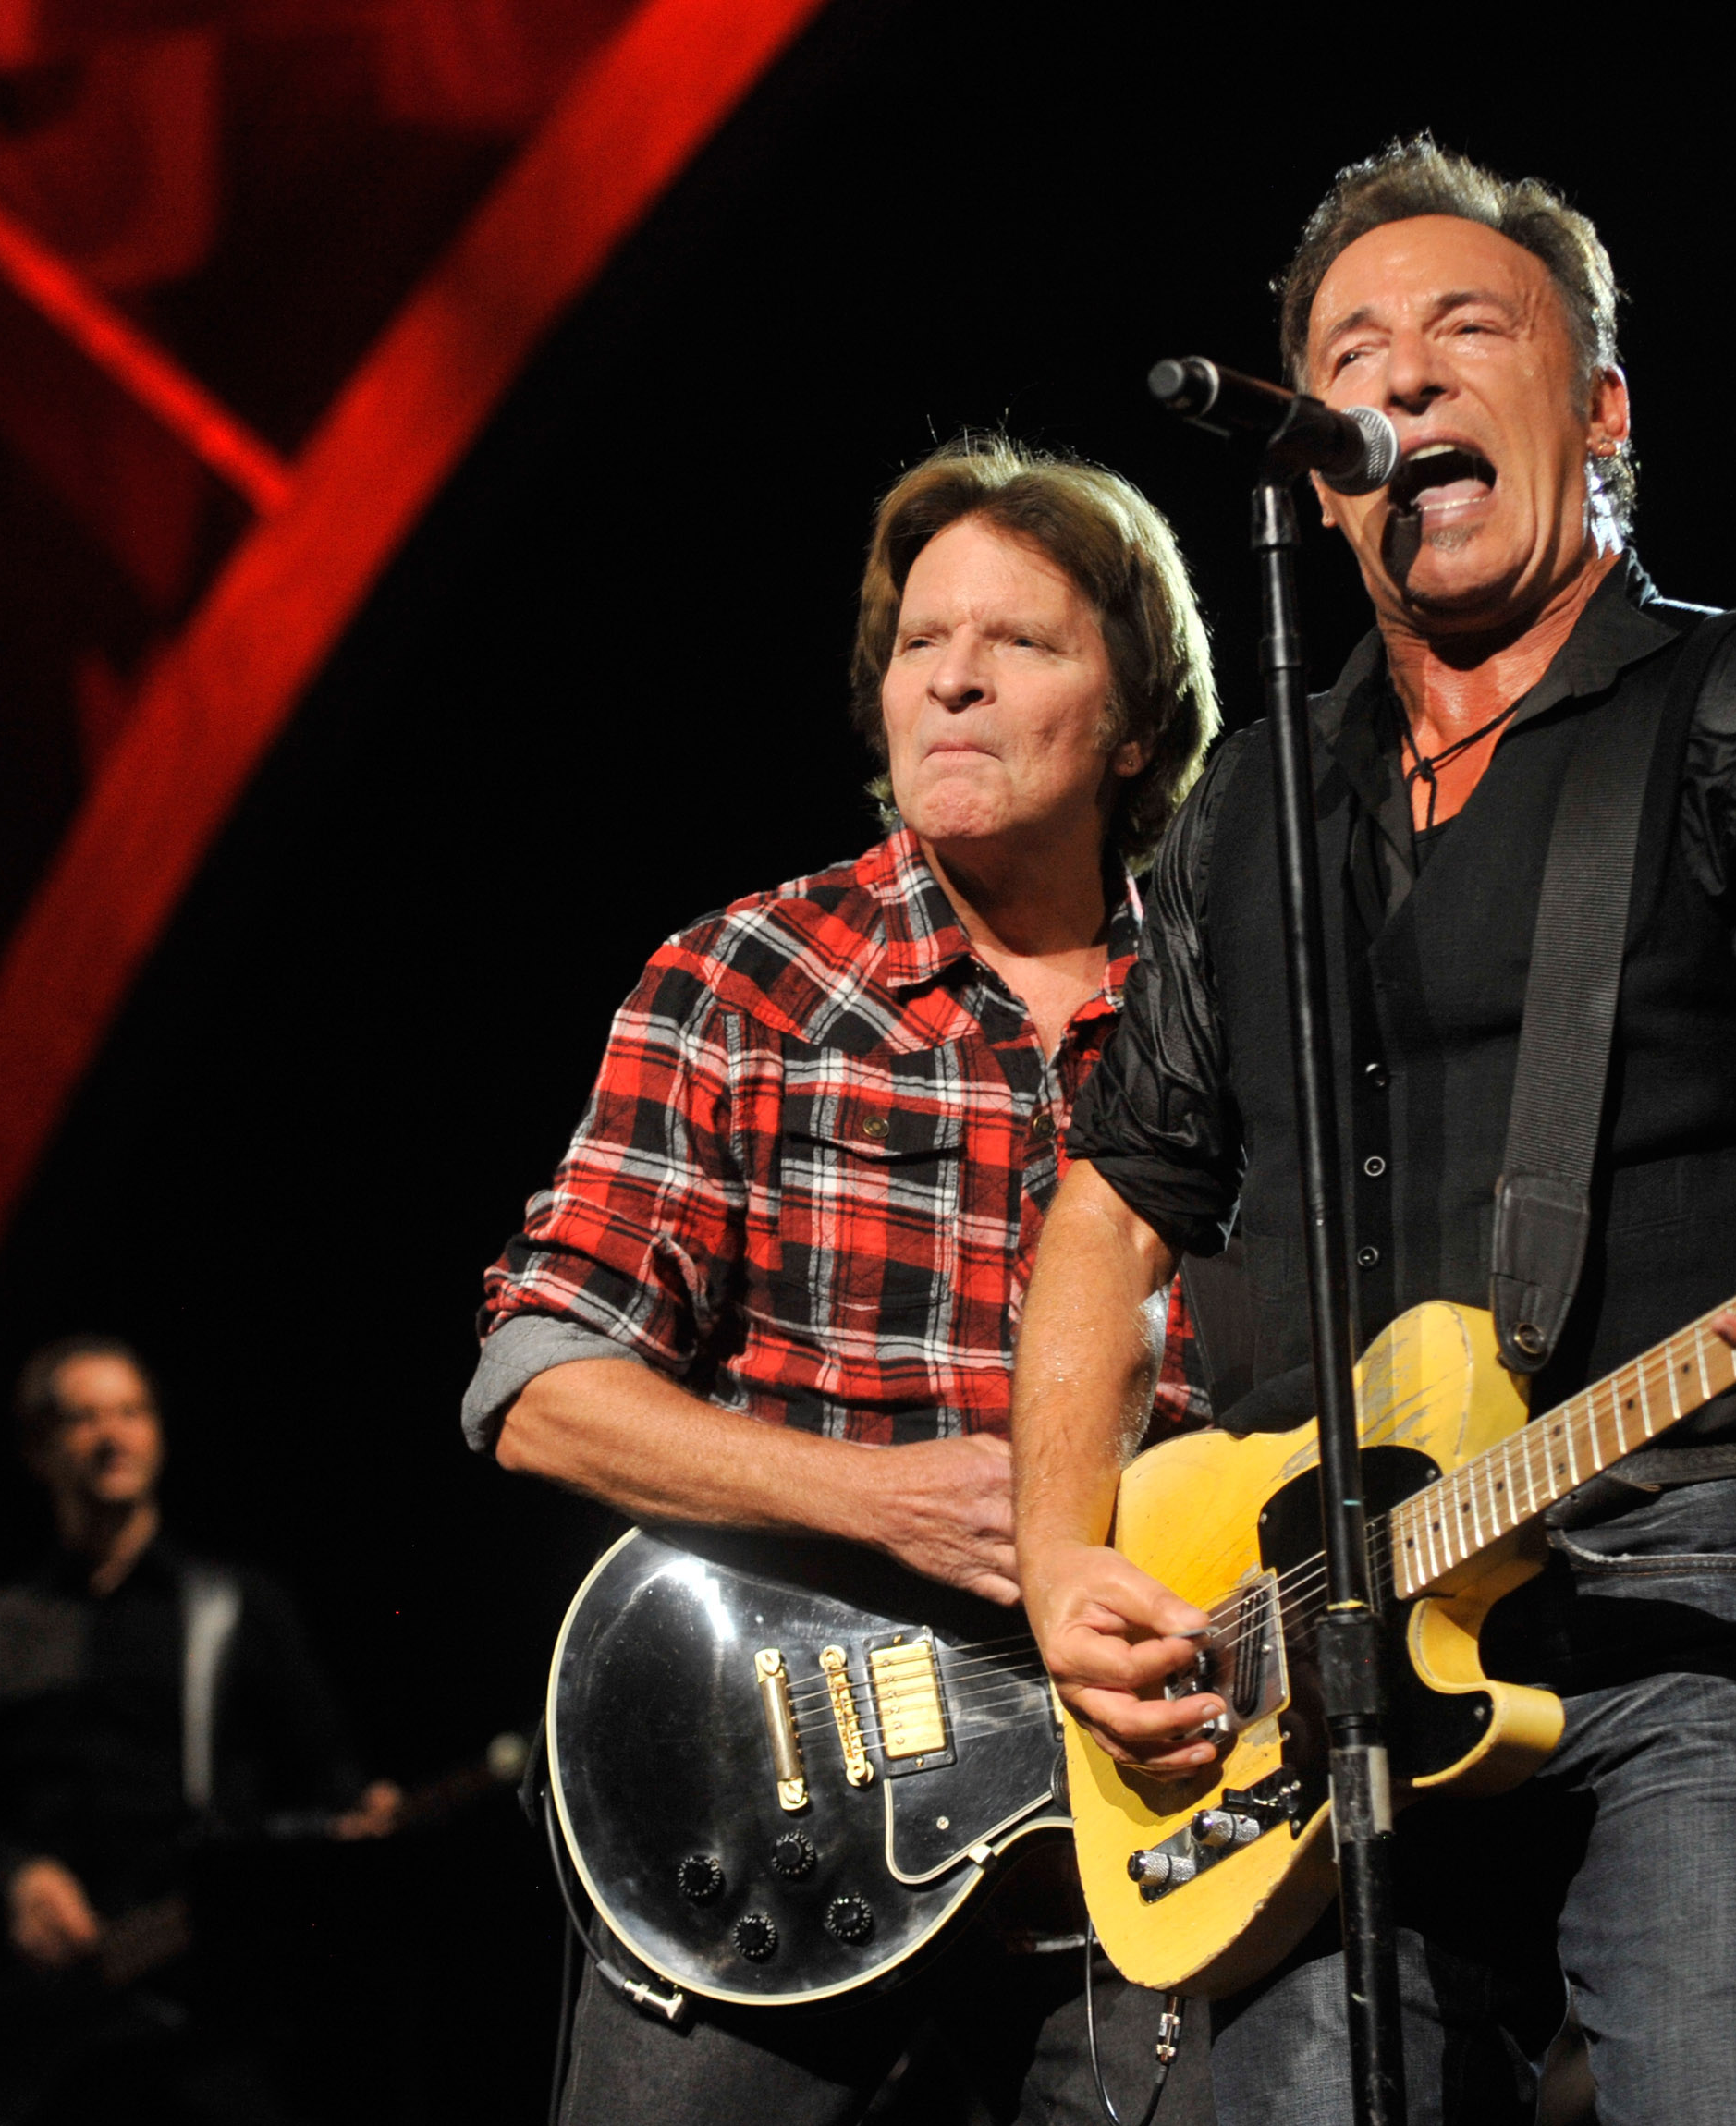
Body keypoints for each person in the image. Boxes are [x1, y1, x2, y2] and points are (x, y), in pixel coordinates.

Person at [1012, 140, 1736, 2124]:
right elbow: (1114, 1202)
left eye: (1468, 331)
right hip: (1309, 1634)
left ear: (1599, 407)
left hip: (1672, 1556)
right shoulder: (1258, 797)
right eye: (1358, 349)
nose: (1410, 377)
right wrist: (1053, 1555)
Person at [466, 436, 1222, 2124]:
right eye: (917, 645)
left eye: (1019, 644)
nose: (949, 680)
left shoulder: (1247, 1005)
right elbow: (536, 1384)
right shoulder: (745, 979)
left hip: (1143, 1831)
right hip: (774, 1822)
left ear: (1139, 718)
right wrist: (888, 1503)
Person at [0, 1336, 397, 2125]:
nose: (112, 1434)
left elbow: (327, 1776)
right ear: (38, 1449)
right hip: (51, 2017)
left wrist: (362, 1809)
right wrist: (15, 1876)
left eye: (131, 1411)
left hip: (212, 2010)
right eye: (82, 1417)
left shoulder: (238, 1607)